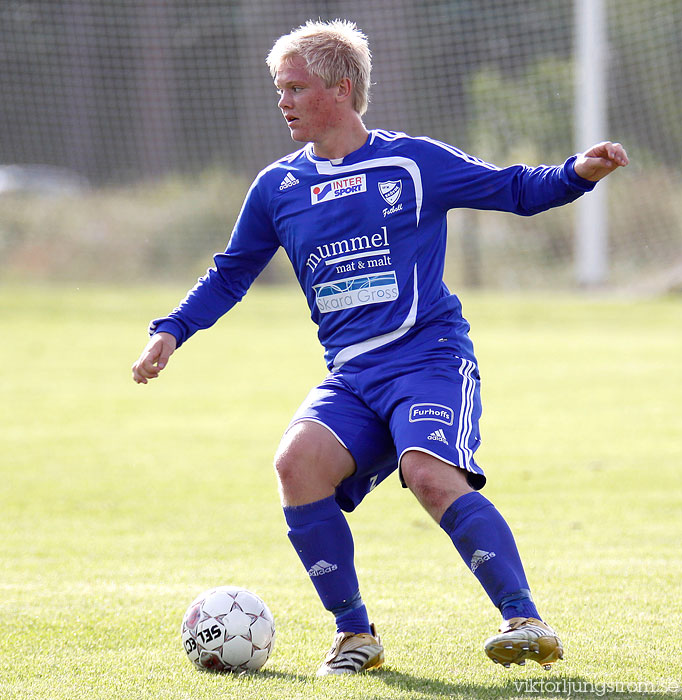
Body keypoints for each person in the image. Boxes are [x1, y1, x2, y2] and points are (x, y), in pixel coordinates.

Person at [132, 19, 628, 676]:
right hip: (354, 378)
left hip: (428, 362)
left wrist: (575, 174)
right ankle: (354, 637)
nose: (283, 101)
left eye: (295, 88)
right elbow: (231, 272)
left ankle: (522, 617)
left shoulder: (410, 164)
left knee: (427, 473)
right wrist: (172, 330)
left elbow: (512, 187)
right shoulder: (277, 187)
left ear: (341, 90)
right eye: (279, 88)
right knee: (296, 463)